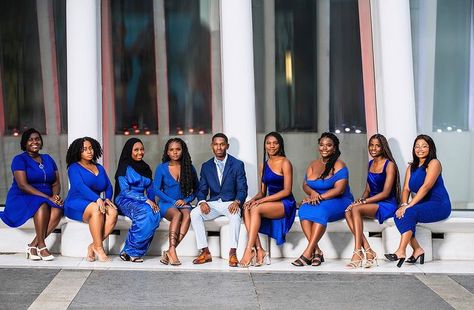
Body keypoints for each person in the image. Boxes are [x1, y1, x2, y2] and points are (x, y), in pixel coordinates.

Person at [385, 135, 451, 267]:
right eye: (417, 146)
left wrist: (409, 206)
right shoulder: (411, 167)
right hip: (422, 204)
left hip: (439, 205)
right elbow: (406, 189)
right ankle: (417, 250)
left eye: (424, 146)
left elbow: (426, 187)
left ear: (430, 148)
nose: (420, 149)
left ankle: (401, 251)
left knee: (407, 213)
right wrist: (404, 205)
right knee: (399, 214)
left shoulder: (434, 163)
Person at [0, 128, 63, 261]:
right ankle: (42, 246)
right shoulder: (19, 160)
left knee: (57, 210)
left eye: (37, 139)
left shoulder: (48, 159)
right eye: (31, 140)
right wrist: (48, 197)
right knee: (41, 205)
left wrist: (55, 196)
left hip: (46, 196)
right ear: (25, 143)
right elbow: (23, 185)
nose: (35, 142)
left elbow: (56, 182)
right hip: (23, 196)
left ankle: (33, 244)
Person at [292, 132, 353, 267]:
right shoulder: (313, 164)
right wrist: (313, 193)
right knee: (304, 209)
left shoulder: (339, 165)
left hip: (340, 201)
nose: (324, 148)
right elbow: (305, 184)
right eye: (321, 145)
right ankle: (317, 251)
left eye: (328, 145)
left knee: (320, 211)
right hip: (318, 200)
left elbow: (339, 190)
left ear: (334, 148)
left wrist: (318, 197)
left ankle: (308, 252)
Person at [190, 133, 248, 267]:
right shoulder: (206, 166)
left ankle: (233, 253)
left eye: (222, 144)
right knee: (195, 213)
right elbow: (202, 189)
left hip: (231, 202)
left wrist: (237, 202)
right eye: (216, 144)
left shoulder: (237, 164)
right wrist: (202, 202)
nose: (219, 147)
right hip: (214, 203)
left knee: (235, 216)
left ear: (227, 146)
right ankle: (205, 251)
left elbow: (242, 189)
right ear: (212, 146)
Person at [239, 132, 296, 267]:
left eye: (275, 143)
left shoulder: (285, 162)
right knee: (247, 207)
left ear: (280, 145)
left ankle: (248, 250)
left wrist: (263, 201)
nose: (271, 146)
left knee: (256, 208)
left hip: (285, 202)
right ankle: (259, 250)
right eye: (268, 143)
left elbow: (287, 191)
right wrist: (252, 200)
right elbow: (262, 192)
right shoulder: (263, 165)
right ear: (264, 145)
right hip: (270, 202)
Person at [344, 134, 400, 268]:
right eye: (371, 145)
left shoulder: (389, 165)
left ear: (383, 147)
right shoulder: (370, 163)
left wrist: (364, 203)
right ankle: (369, 250)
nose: (373, 148)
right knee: (348, 211)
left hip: (386, 203)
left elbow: (386, 193)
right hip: (371, 201)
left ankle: (357, 251)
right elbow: (368, 189)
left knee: (356, 209)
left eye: (377, 145)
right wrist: (361, 199)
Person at [64, 137, 118, 262]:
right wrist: (97, 199)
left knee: (113, 212)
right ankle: (99, 248)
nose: (89, 151)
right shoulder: (73, 168)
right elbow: (79, 186)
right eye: (84, 149)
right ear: (78, 152)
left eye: (90, 148)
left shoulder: (99, 167)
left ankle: (93, 246)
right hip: (75, 203)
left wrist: (107, 199)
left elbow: (108, 186)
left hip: (95, 201)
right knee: (96, 209)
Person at [154, 138, 198, 266]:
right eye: (172, 150)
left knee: (187, 214)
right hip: (166, 203)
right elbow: (156, 189)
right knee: (177, 215)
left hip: (183, 203)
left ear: (182, 151)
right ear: (167, 152)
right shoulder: (161, 168)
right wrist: (173, 201)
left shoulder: (189, 168)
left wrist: (186, 200)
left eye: (178, 149)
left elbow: (197, 189)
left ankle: (170, 250)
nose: (175, 152)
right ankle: (172, 250)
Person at [114, 138, 160, 263]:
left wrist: (152, 202)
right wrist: (144, 200)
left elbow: (150, 188)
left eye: (142, 149)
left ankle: (130, 251)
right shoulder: (124, 167)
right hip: (125, 200)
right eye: (136, 150)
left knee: (155, 213)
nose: (140, 152)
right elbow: (124, 191)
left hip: (142, 201)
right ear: (129, 151)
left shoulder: (145, 167)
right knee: (145, 213)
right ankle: (131, 251)